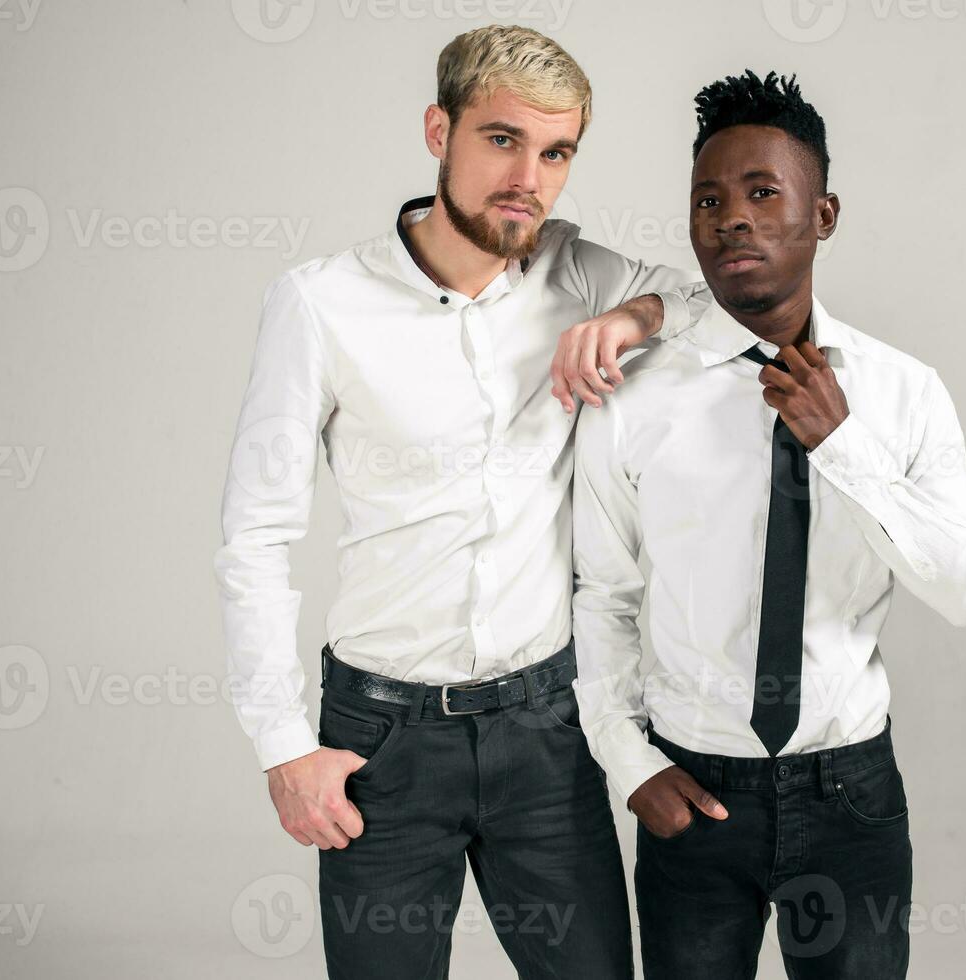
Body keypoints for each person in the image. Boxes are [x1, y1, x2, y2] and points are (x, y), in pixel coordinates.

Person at [213, 25, 704, 979]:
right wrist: (282, 746)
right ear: (440, 129)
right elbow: (255, 536)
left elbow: (696, 297)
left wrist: (626, 317)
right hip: (381, 742)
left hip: (544, 733)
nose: (529, 176)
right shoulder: (320, 304)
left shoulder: (575, 273)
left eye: (556, 152)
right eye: (502, 140)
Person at [571, 69, 966, 979]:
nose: (733, 217)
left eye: (764, 192)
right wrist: (628, 763)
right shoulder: (634, 398)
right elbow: (601, 594)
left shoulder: (901, 393)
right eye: (709, 200)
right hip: (692, 793)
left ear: (824, 214)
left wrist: (841, 446)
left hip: (849, 797)